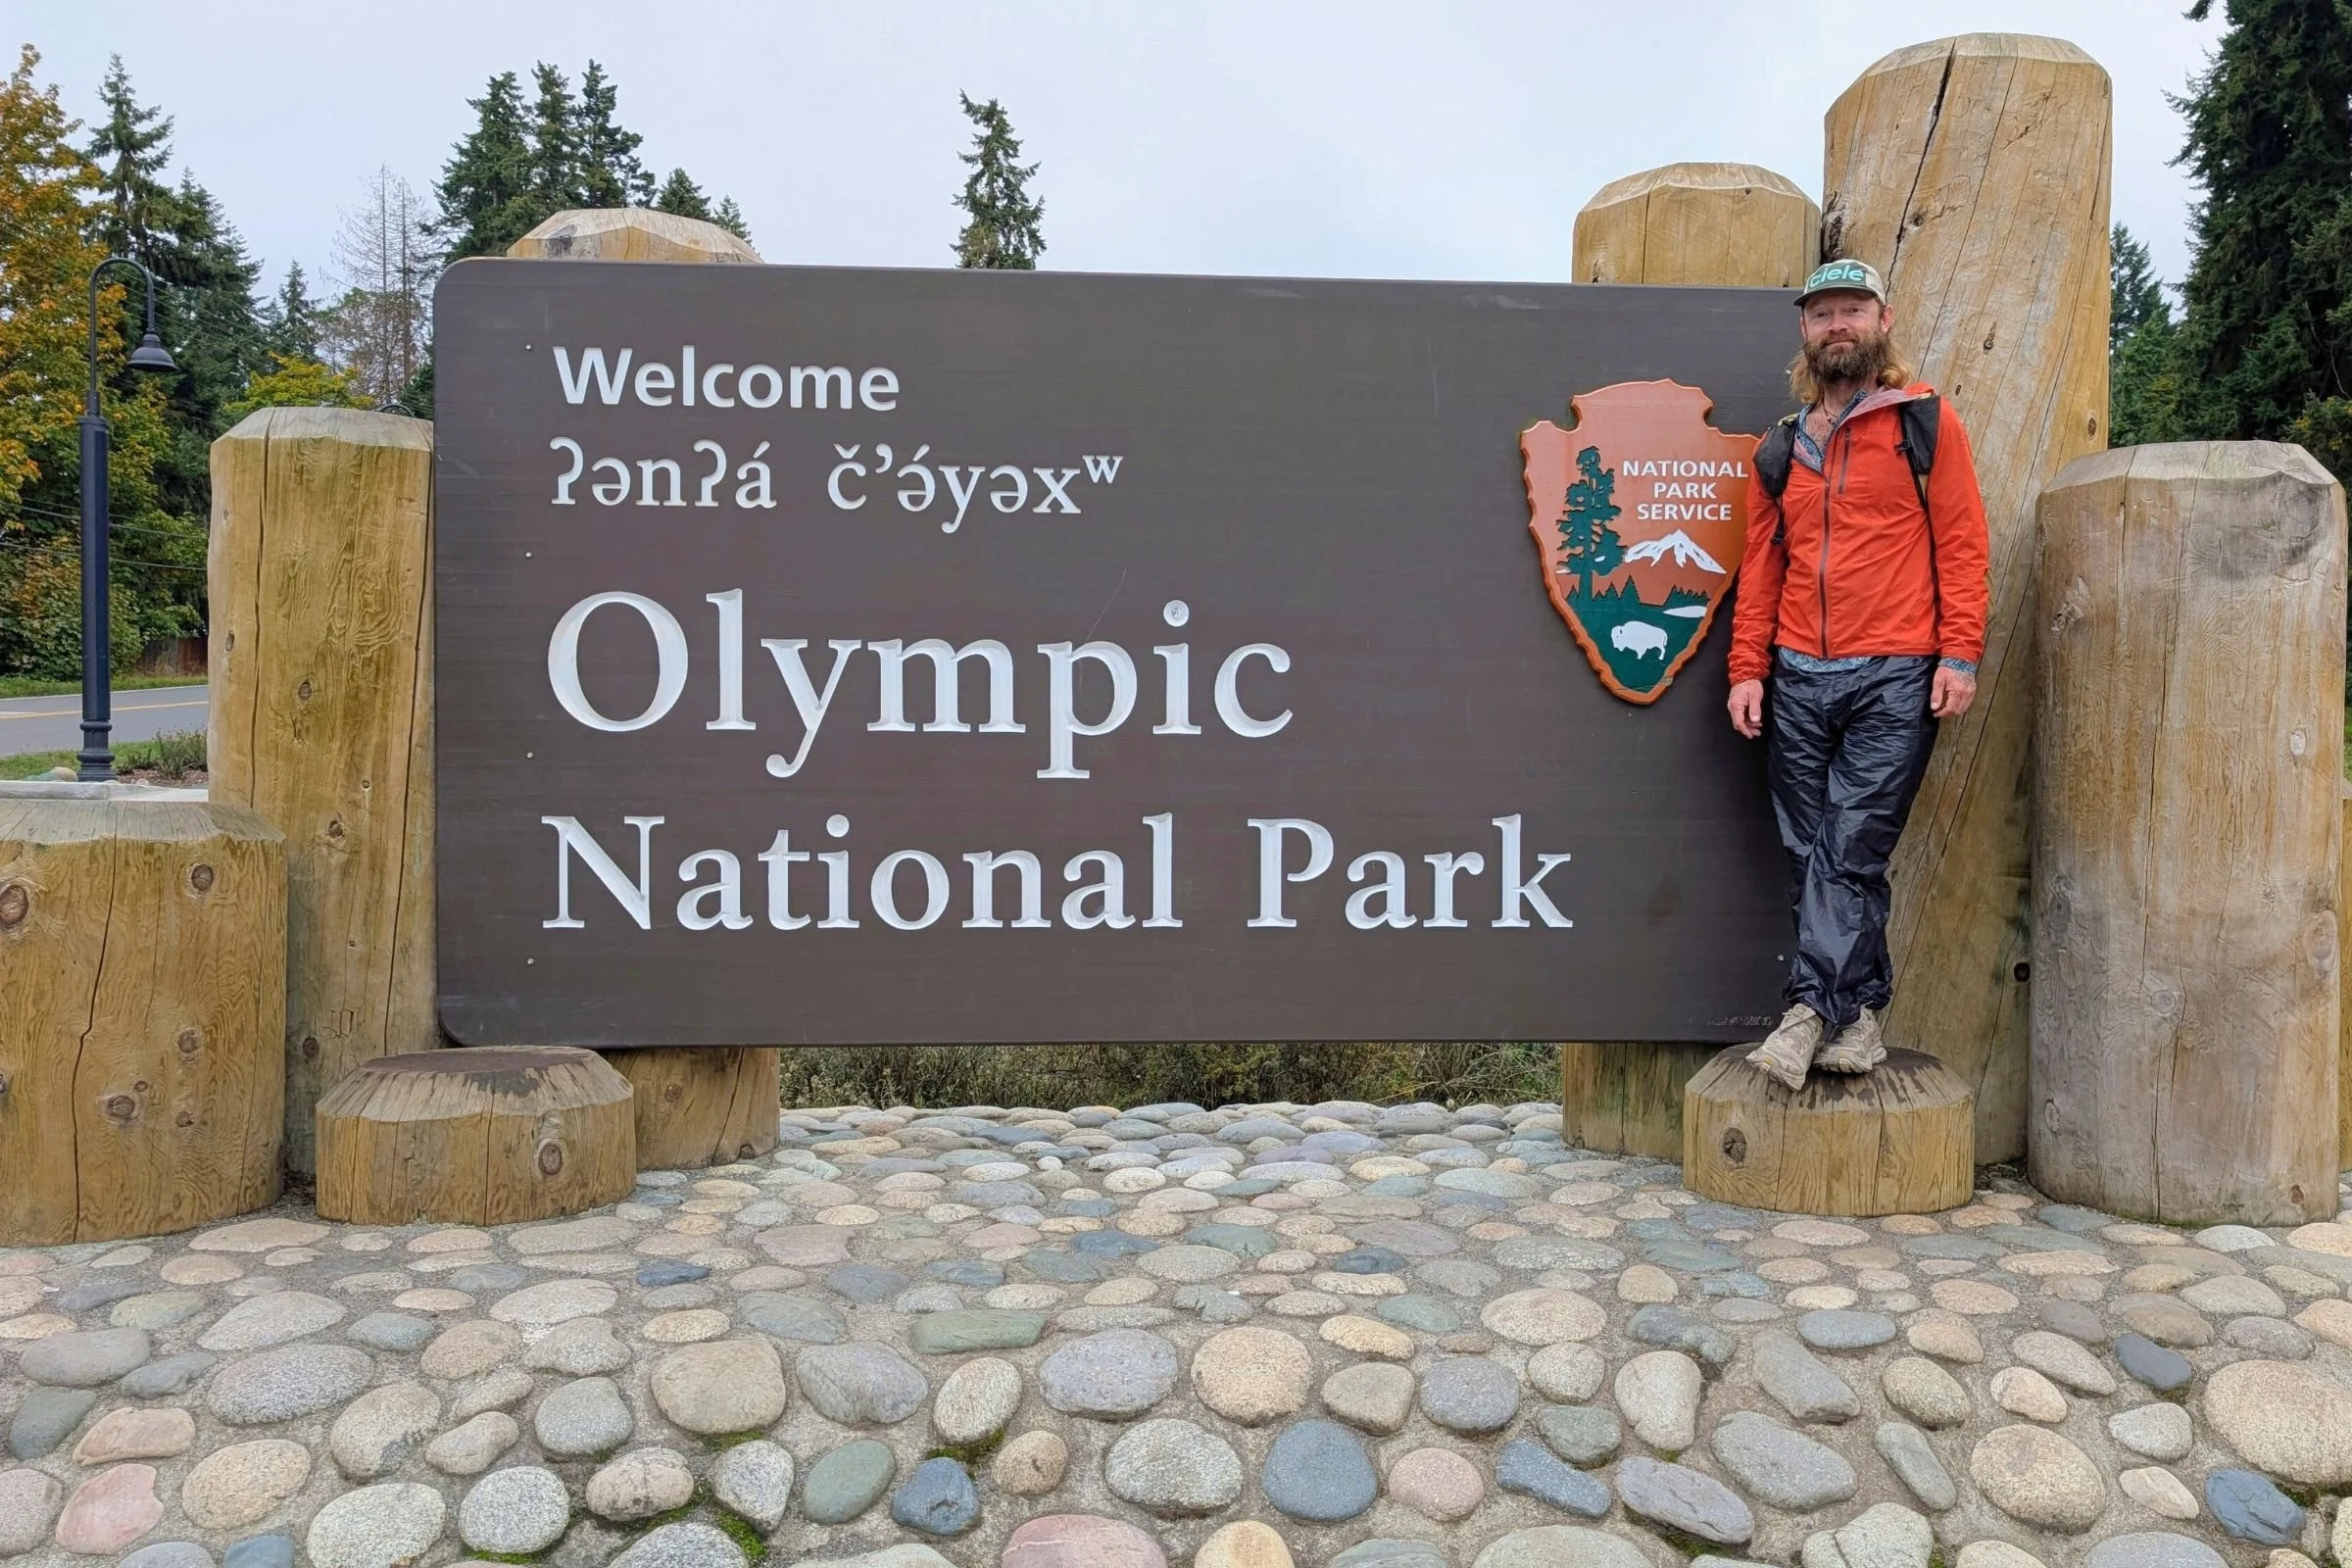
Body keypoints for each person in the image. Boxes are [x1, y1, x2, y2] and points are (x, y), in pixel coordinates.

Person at [1725, 258, 1991, 1092]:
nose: (1838, 325)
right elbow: (1761, 570)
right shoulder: (1781, 446)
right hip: (1797, 672)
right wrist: (1747, 670)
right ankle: (1862, 1017)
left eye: (1853, 310)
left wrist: (1959, 653)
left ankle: (1806, 1013)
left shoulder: (1925, 424)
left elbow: (1963, 543)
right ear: (1804, 332)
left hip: (1895, 673)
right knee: (1814, 852)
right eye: (1822, 314)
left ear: (1883, 321)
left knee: (1849, 844)